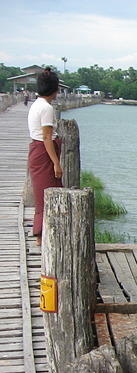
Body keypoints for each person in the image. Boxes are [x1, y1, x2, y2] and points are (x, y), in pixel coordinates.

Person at [27, 68, 62, 246]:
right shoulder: (47, 108)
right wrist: (56, 163)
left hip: (36, 151)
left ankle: (42, 235)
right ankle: (42, 236)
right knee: (48, 194)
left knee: (42, 194)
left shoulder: (35, 104)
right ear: (55, 90)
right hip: (44, 153)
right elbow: (47, 137)